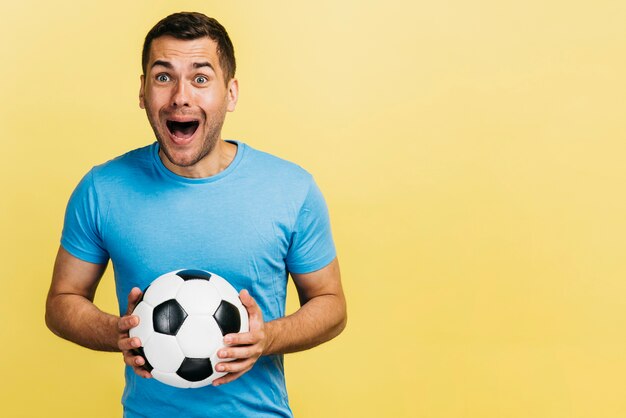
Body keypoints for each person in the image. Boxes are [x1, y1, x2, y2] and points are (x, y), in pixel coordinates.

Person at [45, 11, 347, 418]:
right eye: (163, 76)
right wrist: (117, 333)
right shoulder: (102, 189)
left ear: (231, 93)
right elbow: (62, 301)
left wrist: (267, 338)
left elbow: (331, 304)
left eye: (201, 78)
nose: (181, 97)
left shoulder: (291, 188)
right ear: (142, 91)